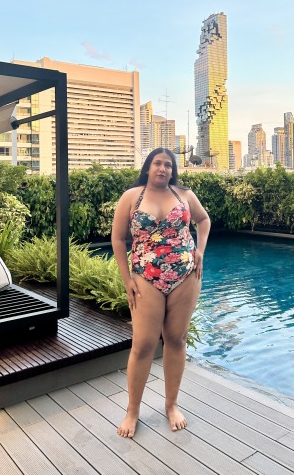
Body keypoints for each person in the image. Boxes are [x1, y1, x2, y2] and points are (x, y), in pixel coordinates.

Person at [111, 147, 211, 438]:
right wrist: (127, 279)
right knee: (143, 344)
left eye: (168, 165)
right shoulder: (132, 197)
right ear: (148, 167)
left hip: (185, 276)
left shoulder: (184, 195)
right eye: (157, 163)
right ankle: (132, 410)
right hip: (146, 277)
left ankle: (171, 405)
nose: (163, 168)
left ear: (172, 170)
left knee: (176, 339)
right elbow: (117, 239)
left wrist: (200, 251)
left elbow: (203, 220)